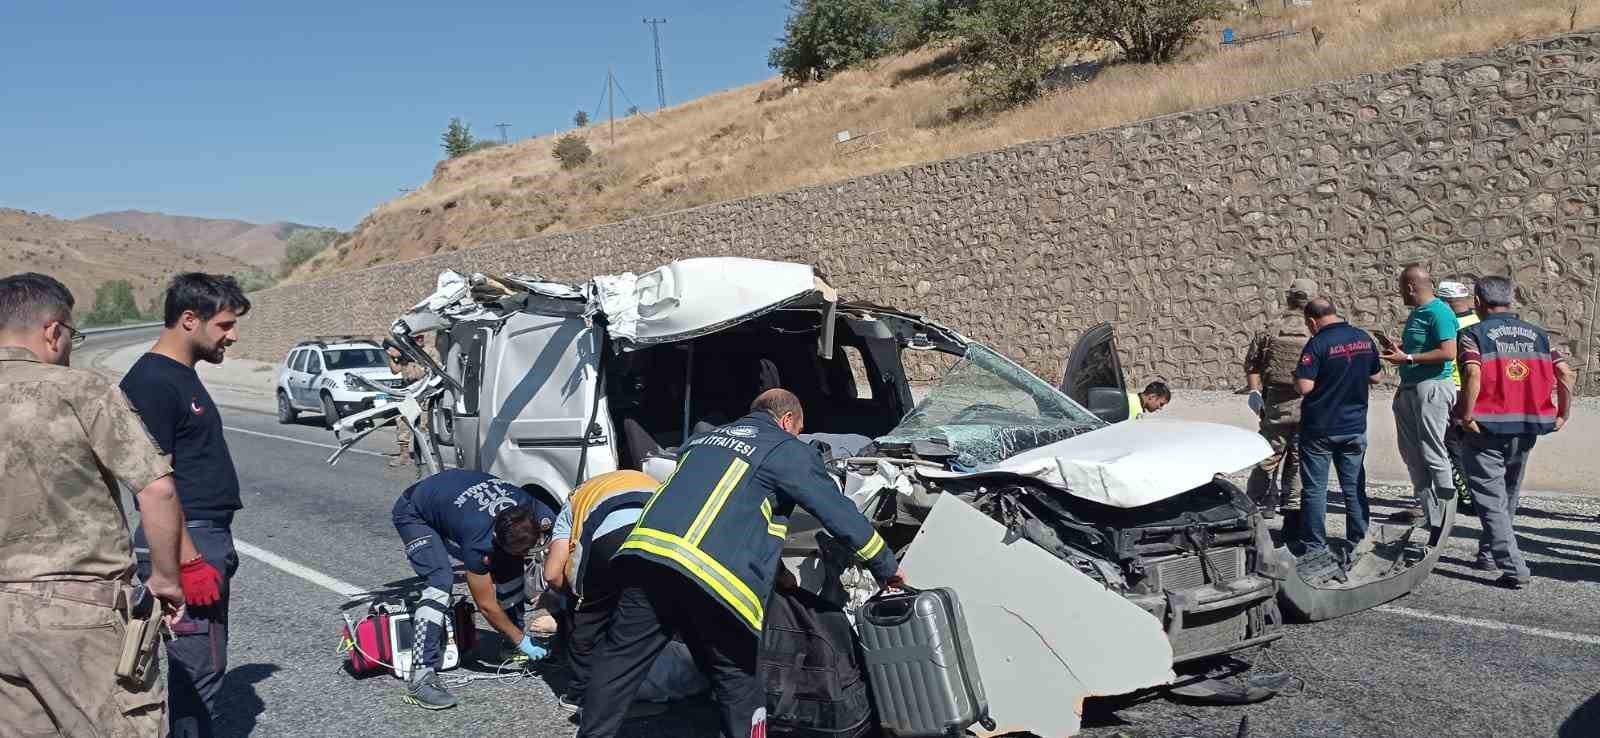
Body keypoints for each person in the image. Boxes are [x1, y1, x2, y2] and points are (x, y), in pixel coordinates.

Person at [578, 388, 904, 738]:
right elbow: (837, 513)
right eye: (798, 429)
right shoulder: (784, 447)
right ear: (787, 420)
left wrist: (776, 572)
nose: (797, 436)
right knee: (739, 680)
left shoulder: (701, 441)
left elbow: (736, 512)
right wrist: (887, 567)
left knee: (619, 663)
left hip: (647, 560)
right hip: (712, 579)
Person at [0, 273, 186, 736]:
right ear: (53, 331)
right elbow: (156, 490)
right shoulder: (80, 389)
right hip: (79, 620)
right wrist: (165, 580)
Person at [120, 273, 250, 738]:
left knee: (199, 670)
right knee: (198, 675)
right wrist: (189, 559)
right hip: (187, 538)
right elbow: (154, 481)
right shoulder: (153, 381)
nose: (232, 336)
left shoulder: (177, 376)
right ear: (189, 319)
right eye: (224, 325)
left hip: (199, 533)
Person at [391, 468, 557, 709]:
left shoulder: (536, 510)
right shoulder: (478, 541)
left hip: (451, 495)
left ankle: (510, 643)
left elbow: (565, 551)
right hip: (414, 511)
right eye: (522, 552)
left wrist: (554, 593)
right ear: (496, 538)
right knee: (440, 580)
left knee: (510, 565)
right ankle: (420, 676)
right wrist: (524, 640)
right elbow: (486, 605)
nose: (526, 556)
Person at [1454, 276, 1575, 590]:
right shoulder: (1539, 334)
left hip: (1487, 426)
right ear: (1512, 298)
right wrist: (1563, 412)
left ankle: (1514, 567)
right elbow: (1565, 372)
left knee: (1490, 500)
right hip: (1527, 425)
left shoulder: (1472, 334)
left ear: (1478, 302)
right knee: (1508, 493)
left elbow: (1471, 372)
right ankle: (1489, 553)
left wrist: (1466, 415)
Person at [543, 470, 659, 714]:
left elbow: (552, 574)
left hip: (611, 536)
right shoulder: (645, 479)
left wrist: (572, 597)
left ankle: (581, 695)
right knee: (645, 612)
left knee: (588, 616)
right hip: (661, 535)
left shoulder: (573, 502)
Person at [1292, 298, 1383, 554]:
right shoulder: (1362, 337)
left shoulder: (1318, 343)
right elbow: (1376, 376)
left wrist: (1295, 378)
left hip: (1320, 428)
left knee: (1314, 490)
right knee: (1354, 487)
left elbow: (1304, 386)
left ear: (1312, 321)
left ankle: (1314, 546)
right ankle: (1359, 541)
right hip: (1354, 426)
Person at [1379, 264, 1459, 525]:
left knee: (1433, 451)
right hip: (1410, 387)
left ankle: (1445, 516)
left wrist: (1409, 357)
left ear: (1411, 287)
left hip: (1432, 387)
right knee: (1411, 453)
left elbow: (1448, 352)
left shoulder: (1440, 312)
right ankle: (1426, 509)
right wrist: (1400, 349)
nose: (1400, 292)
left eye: (1402, 287)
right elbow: (1419, 345)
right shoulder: (1417, 313)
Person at [1244, 278, 1317, 517]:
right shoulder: (1317, 330)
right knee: (1299, 455)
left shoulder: (1270, 328)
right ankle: (1293, 503)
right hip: (1309, 402)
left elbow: (1252, 365)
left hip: (1275, 401)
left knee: (1268, 454)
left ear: (1289, 297)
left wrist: (1255, 392)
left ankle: (1258, 502)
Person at [1439, 280, 1480, 513]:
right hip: (1479, 389)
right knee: (1476, 446)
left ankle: (1467, 499)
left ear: (1444, 301)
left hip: (1455, 387)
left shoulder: (1449, 323)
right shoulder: (1479, 321)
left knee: (1452, 445)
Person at [385, 335, 428, 470]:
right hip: (408, 390)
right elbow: (395, 370)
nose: (420, 339)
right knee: (403, 422)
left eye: (421, 337)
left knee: (423, 425)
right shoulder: (403, 352)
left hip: (424, 390)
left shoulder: (429, 351)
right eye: (416, 337)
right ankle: (404, 456)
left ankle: (421, 456)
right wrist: (392, 356)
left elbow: (437, 367)